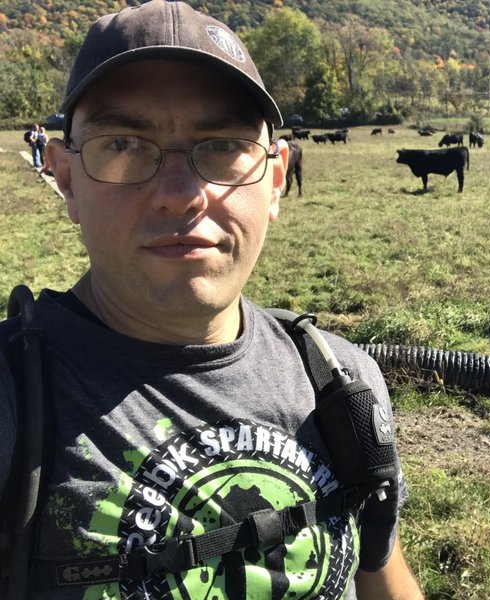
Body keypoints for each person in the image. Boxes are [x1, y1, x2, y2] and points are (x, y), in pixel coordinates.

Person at [0, 1, 424, 598]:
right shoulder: (14, 396)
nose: (180, 195)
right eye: (123, 144)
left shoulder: (342, 382)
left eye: (222, 146)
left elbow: (379, 568)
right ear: (65, 179)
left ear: (274, 180)